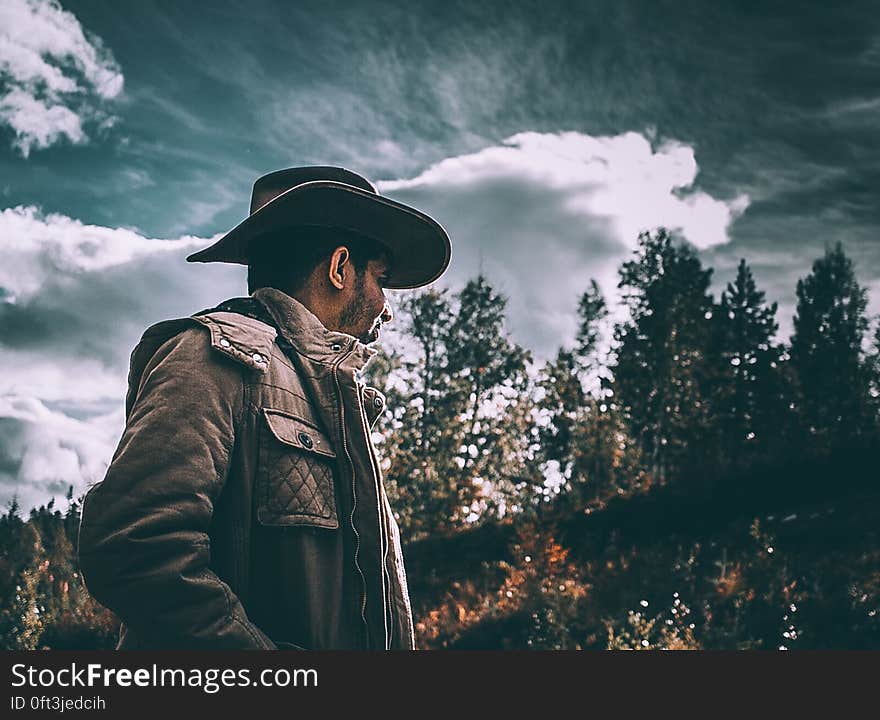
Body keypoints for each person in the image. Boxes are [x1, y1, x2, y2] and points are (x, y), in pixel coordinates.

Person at [77, 166, 451, 650]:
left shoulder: (331, 400)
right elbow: (135, 547)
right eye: (380, 279)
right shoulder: (209, 358)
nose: (387, 307)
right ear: (339, 268)